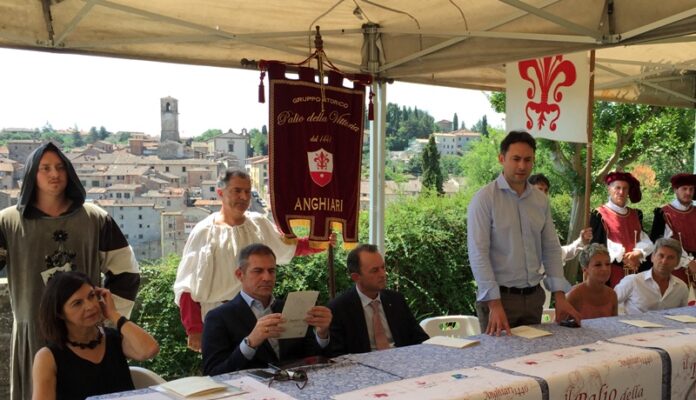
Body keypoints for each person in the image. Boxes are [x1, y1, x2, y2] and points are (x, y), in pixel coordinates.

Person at [0, 142, 140, 400]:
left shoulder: (95, 219)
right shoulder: (8, 222)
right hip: (35, 333)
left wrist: (106, 317)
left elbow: (126, 273)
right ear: (32, 173)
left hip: (88, 333)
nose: (55, 174)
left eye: (60, 167)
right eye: (45, 168)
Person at [174, 169, 334, 352]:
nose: (243, 197)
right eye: (237, 190)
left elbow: (287, 248)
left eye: (247, 191)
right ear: (220, 193)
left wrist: (319, 243)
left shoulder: (259, 224)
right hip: (217, 317)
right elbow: (187, 285)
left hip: (256, 314)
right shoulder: (204, 232)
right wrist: (194, 329)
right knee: (224, 372)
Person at [467, 131, 581, 336]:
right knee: (497, 365)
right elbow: (478, 254)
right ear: (502, 159)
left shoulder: (540, 200)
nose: (522, 166)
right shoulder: (484, 199)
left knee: (534, 362)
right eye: (516, 159)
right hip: (499, 300)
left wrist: (560, 296)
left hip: (534, 298)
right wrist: (494, 304)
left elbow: (551, 249)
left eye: (528, 160)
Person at [201, 243, 332, 375]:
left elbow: (312, 358)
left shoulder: (289, 308)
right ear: (240, 274)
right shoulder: (218, 317)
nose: (267, 278)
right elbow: (213, 373)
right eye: (258, 271)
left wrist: (322, 333)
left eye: (271, 271)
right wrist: (250, 343)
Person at [31, 271, 158, 400]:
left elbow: (150, 349)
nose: (90, 306)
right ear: (60, 313)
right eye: (77, 303)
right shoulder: (48, 357)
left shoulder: (113, 339)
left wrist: (113, 314)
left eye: (91, 296)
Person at [328, 244, 429, 356]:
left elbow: (419, 338)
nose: (383, 274)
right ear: (356, 277)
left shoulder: (396, 300)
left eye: (383, 267)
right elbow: (337, 355)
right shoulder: (339, 308)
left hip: (402, 362)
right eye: (375, 270)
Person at [529, 173, 592, 306]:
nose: (543, 194)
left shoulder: (546, 220)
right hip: (521, 286)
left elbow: (558, 254)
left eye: (546, 191)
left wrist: (581, 242)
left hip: (543, 285)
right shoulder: (520, 219)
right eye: (539, 190)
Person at [590, 171, 653, 287]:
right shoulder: (599, 214)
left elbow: (644, 240)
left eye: (625, 188)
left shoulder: (636, 214)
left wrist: (638, 253)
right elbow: (598, 244)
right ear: (609, 189)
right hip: (611, 273)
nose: (621, 192)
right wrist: (625, 257)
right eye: (617, 188)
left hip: (637, 272)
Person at [614, 238, 689, 314]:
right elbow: (609, 304)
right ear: (652, 257)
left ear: (677, 262)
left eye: (670, 258)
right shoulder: (633, 281)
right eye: (661, 256)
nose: (664, 261)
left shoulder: (681, 287)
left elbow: (683, 315)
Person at [650, 173, 696, 287]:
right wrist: (688, 261)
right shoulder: (664, 213)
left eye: (691, 189)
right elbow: (664, 244)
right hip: (676, 266)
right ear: (676, 190)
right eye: (684, 189)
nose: (688, 193)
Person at [566, 244, 618, 319]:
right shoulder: (574, 295)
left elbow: (614, 325)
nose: (605, 268)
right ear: (585, 269)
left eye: (607, 264)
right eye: (598, 265)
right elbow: (558, 326)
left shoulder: (612, 295)